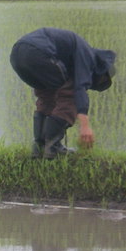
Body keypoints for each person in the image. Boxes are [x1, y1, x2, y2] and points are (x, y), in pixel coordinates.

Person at [9, 27, 116, 159]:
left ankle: (39, 146)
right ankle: (53, 147)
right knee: (70, 96)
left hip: (17, 55)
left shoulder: (75, 55)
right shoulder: (88, 55)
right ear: (100, 71)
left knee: (47, 95)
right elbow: (80, 88)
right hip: (39, 52)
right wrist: (85, 126)